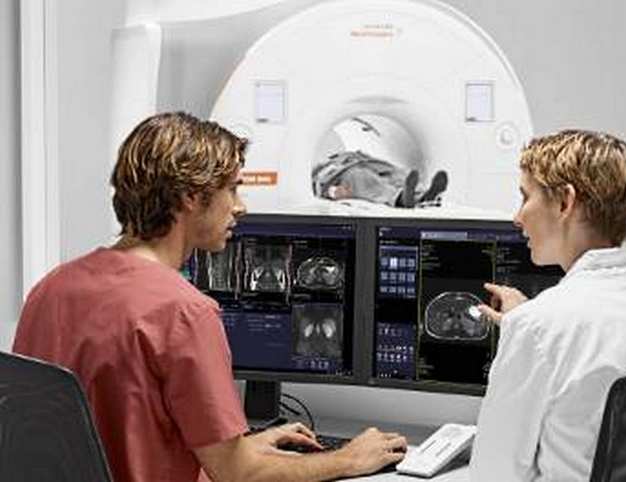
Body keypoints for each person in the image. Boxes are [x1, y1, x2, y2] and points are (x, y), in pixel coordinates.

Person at [13, 112, 407, 482]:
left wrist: (238, 447)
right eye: (231, 189)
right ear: (190, 195)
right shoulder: (184, 312)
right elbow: (236, 474)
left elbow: (111, 433)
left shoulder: (51, 288)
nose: (240, 206)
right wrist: (348, 458)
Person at [469, 129, 626, 481]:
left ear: (565, 202)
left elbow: (493, 475)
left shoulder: (538, 326)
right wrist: (527, 322)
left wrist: (527, 328)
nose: (517, 217)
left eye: (525, 197)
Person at [312, 150, 448, 208]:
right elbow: (320, 188)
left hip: (364, 160)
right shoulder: (319, 172)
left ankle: (423, 196)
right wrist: (333, 192)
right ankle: (400, 198)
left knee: (396, 173)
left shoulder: (344, 154)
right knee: (363, 179)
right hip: (343, 174)